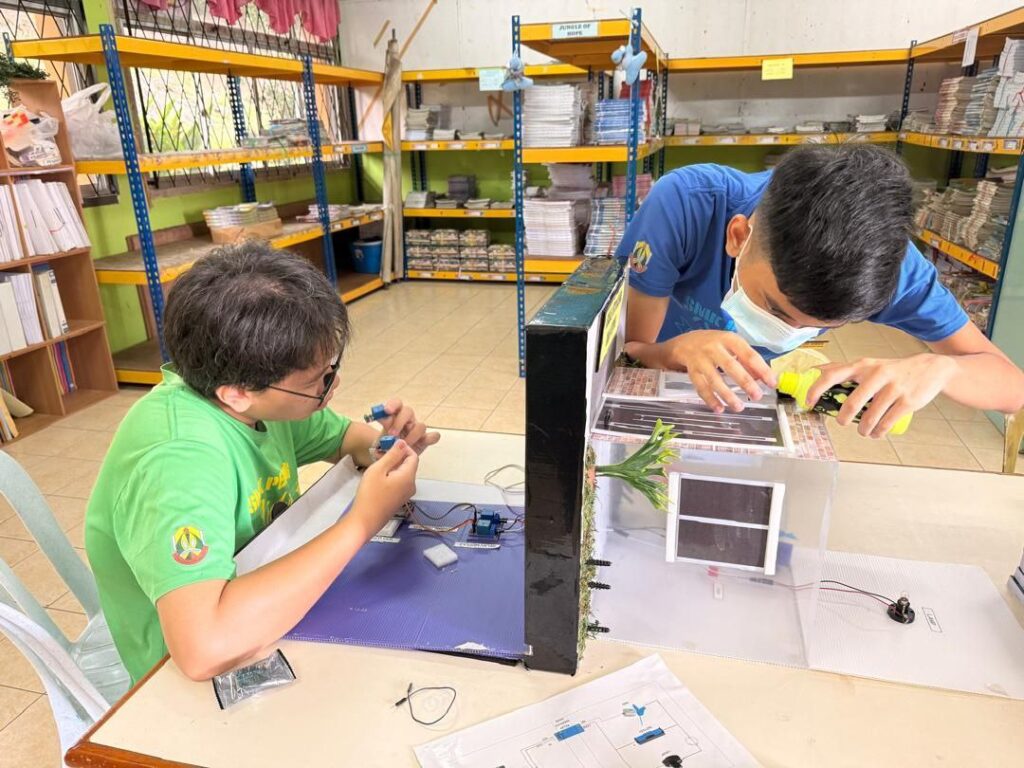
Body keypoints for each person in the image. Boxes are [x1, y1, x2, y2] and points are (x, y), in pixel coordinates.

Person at [85, 243, 439, 682]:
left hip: (258, 589)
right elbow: (201, 651)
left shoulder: (253, 399)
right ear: (236, 392)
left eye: (331, 368)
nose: (332, 386)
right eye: (317, 381)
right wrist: (363, 520)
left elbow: (346, 440)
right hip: (178, 669)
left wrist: (390, 445)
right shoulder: (179, 461)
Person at [618, 144, 1024, 438]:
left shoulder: (887, 268)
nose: (785, 334)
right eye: (775, 311)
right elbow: (627, 354)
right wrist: (670, 352)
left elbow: (1013, 387)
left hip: (736, 408)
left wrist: (943, 368)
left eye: (813, 326)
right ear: (738, 236)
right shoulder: (686, 205)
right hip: (652, 388)